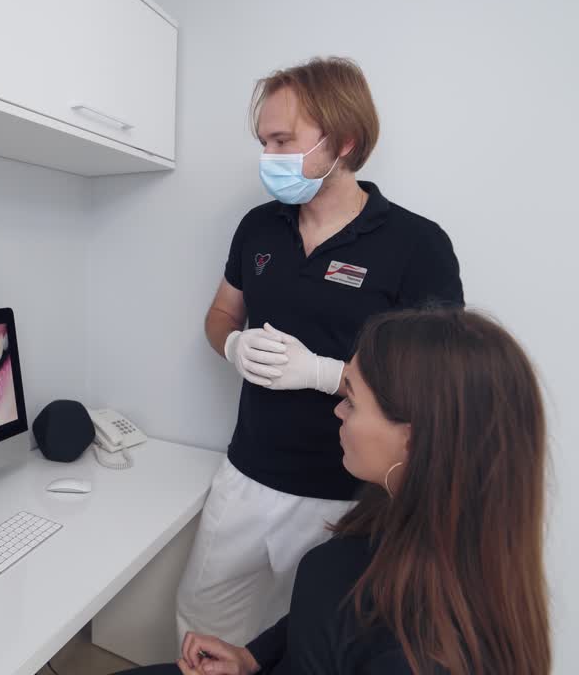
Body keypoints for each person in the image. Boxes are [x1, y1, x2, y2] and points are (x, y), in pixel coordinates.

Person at [181, 57, 464, 647]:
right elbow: (219, 315)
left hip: (349, 502)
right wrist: (232, 345)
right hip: (246, 473)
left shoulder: (418, 246)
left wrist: (324, 373)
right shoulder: (258, 227)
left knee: (304, 651)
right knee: (203, 633)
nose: (269, 157)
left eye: (283, 140)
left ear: (344, 141)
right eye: (263, 141)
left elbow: (436, 391)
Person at [122, 307, 552, 675]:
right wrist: (253, 657)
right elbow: (326, 618)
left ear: (413, 438)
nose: (338, 410)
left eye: (353, 400)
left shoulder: (421, 650)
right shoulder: (397, 521)